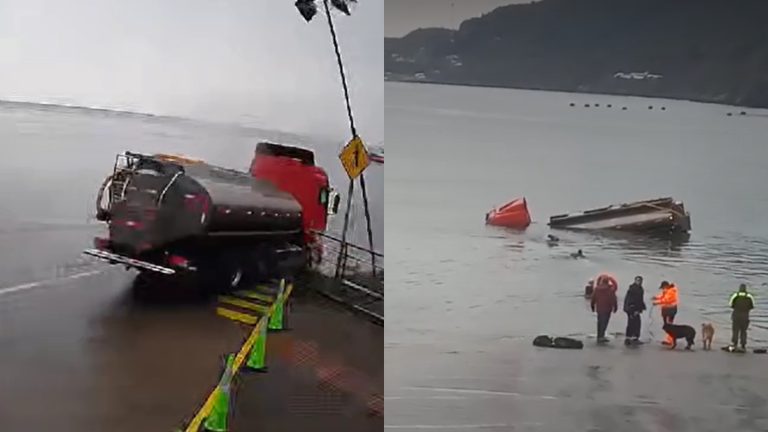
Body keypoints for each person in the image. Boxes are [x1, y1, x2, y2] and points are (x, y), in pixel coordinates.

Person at [591, 275, 618, 343]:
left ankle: (599, 335)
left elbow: (593, 298)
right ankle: (601, 336)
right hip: (607, 308)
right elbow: (613, 299)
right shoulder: (610, 290)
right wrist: (615, 307)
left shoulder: (597, 289)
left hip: (599, 308)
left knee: (599, 322)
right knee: (604, 322)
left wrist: (592, 306)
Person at [729, 283, 755, 352]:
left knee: (735, 330)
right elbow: (752, 306)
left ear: (739, 289)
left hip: (736, 315)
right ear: (745, 289)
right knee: (744, 331)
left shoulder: (735, 295)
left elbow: (731, 305)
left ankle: (734, 344)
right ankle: (743, 345)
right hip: (745, 316)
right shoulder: (749, 296)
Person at [653, 281, 679, 345]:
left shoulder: (671, 291)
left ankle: (670, 340)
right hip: (667, 309)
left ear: (666, 286)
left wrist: (657, 303)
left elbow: (666, 300)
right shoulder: (668, 290)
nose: (662, 289)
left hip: (670, 309)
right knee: (667, 325)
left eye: (663, 287)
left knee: (669, 325)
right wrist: (656, 297)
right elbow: (663, 296)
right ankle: (669, 339)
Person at [623, 276, 647, 345]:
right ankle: (632, 338)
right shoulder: (634, 289)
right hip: (632, 309)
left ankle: (630, 337)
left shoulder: (639, 289)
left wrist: (642, 307)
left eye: (640, 280)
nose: (639, 282)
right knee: (634, 323)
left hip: (634, 309)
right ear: (635, 281)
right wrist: (634, 310)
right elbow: (632, 300)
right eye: (637, 280)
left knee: (634, 323)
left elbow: (640, 300)